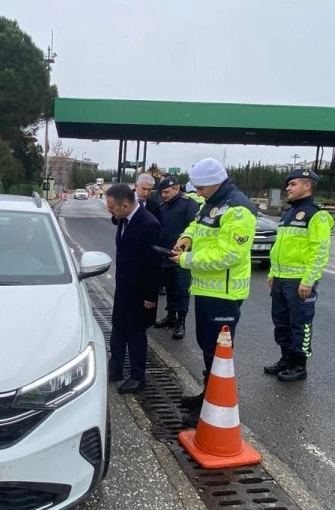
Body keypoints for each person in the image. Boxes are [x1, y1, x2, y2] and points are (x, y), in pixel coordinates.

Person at [169, 158, 257, 426]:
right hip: (208, 291)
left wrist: (187, 260)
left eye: (200, 188)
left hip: (225, 296)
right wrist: (187, 237)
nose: (197, 193)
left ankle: (213, 409)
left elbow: (228, 255)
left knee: (218, 353)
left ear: (214, 182)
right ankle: (209, 395)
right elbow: (198, 225)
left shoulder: (238, 210)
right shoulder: (214, 203)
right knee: (207, 346)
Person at [263, 168, 333, 382]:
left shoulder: (317, 215)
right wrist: (274, 272)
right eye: (288, 184)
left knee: (300, 323)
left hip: (300, 282)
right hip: (281, 279)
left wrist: (308, 281)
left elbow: (319, 251)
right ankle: (285, 358)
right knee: (281, 321)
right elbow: (280, 248)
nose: (288, 188)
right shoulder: (289, 213)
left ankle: (299, 365)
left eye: (292, 184)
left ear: (307, 186)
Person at [104, 182, 162, 394]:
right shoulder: (124, 218)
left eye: (112, 207)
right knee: (118, 328)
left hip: (140, 292)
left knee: (135, 334)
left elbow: (153, 264)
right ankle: (115, 367)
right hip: (124, 287)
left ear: (126, 205)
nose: (109, 211)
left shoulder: (149, 225)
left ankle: (138, 376)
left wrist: (150, 295)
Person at [153, 175, 200, 340]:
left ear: (176, 188)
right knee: (169, 288)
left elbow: (194, 229)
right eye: (161, 193)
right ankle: (170, 316)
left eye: (166, 192)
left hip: (182, 257)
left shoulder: (189, 204)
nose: (163, 195)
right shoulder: (162, 207)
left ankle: (181, 322)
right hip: (166, 256)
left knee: (181, 289)